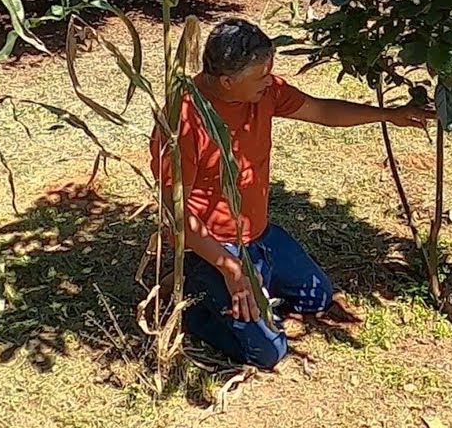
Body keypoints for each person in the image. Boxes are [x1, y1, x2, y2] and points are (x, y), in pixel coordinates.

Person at [150, 18, 433, 369]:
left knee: (318, 297)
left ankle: (254, 285)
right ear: (227, 81)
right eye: (261, 76)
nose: (270, 82)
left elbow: (323, 110)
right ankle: (194, 296)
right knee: (269, 353)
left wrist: (389, 115)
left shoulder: (264, 92)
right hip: (213, 246)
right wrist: (230, 268)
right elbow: (174, 212)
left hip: (259, 236)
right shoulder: (182, 121)